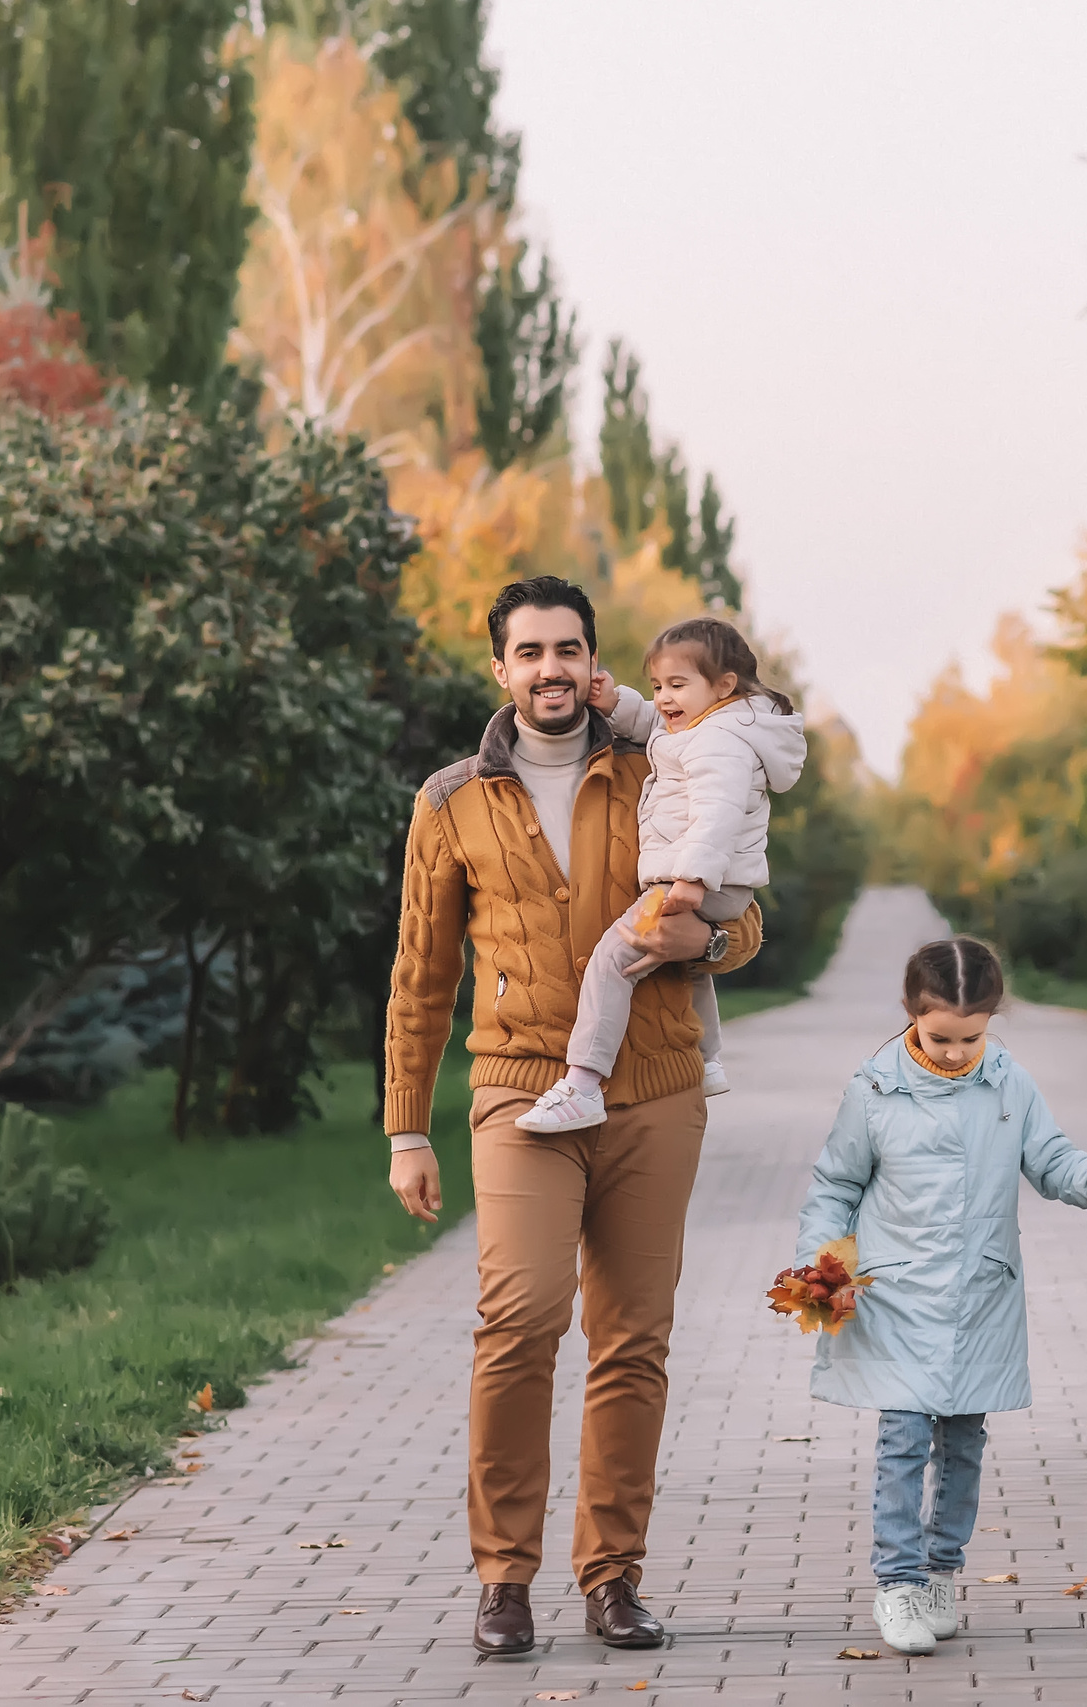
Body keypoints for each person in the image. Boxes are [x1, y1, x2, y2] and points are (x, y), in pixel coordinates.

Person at [383, 577, 755, 1658]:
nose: (550, 668)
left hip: (655, 1086)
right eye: (529, 651)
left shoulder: (662, 762)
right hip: (515, 1090)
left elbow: (744, 915)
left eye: (568, 649)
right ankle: (504, 1578)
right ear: (500, 669)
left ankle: (612, 1576)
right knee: (519, 1321)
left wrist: (714, 947)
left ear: (594, 663)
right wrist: (408, 1127)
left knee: (633, 1339)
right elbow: (421, 973)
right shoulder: (451, 799)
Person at [792, 937, 1087, 1656]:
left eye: (969, 1037)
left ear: (992, 1021)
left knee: (965, 1441)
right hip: (896, 1296)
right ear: (911, 1015)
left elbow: (1051, 1160)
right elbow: (835, 1186)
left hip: (978, 1295)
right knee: (904, 1439)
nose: (952, 1051)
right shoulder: (875, 1089)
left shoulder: (1010, 1085)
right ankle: (898, 1583)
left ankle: (942, 1571)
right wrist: (819, 1268)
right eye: (939, 1036)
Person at [517, 615, 806, 1130]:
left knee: (612, 960)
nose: (664, 699)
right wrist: (620, 703)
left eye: (676, 685)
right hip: (719, 882)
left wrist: (692, 879)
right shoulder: (710, 726)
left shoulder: (719, 743)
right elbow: (659, 729)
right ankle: (709, 1059)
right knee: (685, 965)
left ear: (723, 686)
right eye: (656, 686)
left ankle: (583, 1084)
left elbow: (717, 812)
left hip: (693, 879)